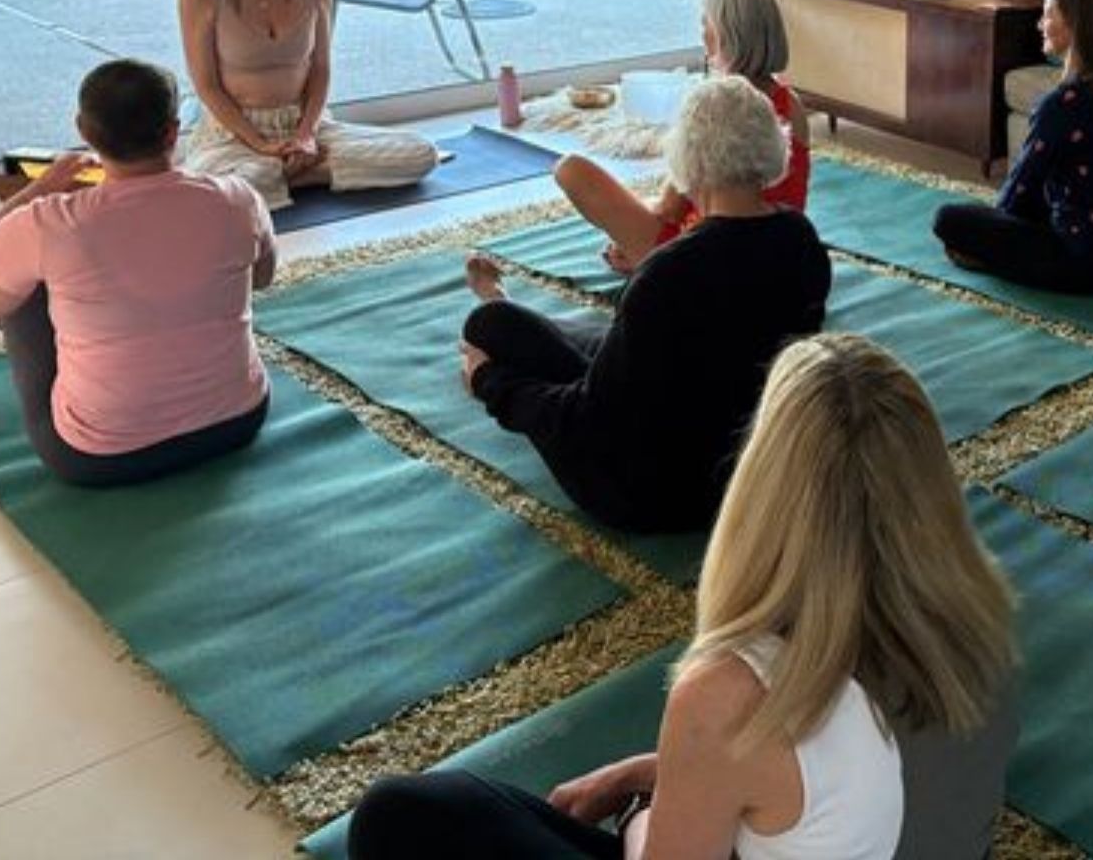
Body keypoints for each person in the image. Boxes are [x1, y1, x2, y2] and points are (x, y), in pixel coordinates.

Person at [349, 333, 1020, 859]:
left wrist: (643, 813)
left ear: (761, 485)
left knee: (402, 816)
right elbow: (834, 794)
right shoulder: (977, 622)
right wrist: (646, 772)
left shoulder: (737, 693)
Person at [458, 76, 831, 531]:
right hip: (751, 478)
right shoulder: (803, 242)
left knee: (490, 324)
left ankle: (497, 306)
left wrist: (491, 382)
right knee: (609, 341)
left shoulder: (667, 272)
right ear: (772, 146)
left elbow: (587, 423)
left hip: (649, 494)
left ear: (686, 158)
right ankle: (516, 314)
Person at [0, 59, 274, 486]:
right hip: (238, 423)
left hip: (98, 458)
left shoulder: (48, 221)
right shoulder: (238, 199)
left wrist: (39, 189)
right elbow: (263, 277)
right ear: (173, 132)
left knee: (19, 291)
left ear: (84, 131)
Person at [177, 0, 437, 212]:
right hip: (233, 134)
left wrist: (305, 136)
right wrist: (261, 144)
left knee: (421, 153)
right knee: (215, 194)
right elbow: (207, 86)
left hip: (306, 125)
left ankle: (295, 175)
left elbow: (320, 69)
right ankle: (295, 174)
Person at [555, 0, 813, 275]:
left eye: (706, 23)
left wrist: (632, 233)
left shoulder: (714, 105)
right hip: (777, 248)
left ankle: (645, 262)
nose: (701, 33)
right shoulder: (792, 105)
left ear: (726, 34)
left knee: (570, 169)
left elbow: (669, 209)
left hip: (704, 257)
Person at [932, 0, 1093, 294]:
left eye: (1048, 14)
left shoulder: (1060, 105)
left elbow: (1015, 196)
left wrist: (992, 235)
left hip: (1088, 265)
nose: (1040, 24)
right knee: (1050, 193)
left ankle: (998, 264)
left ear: (1073, 25)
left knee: (947, 219)